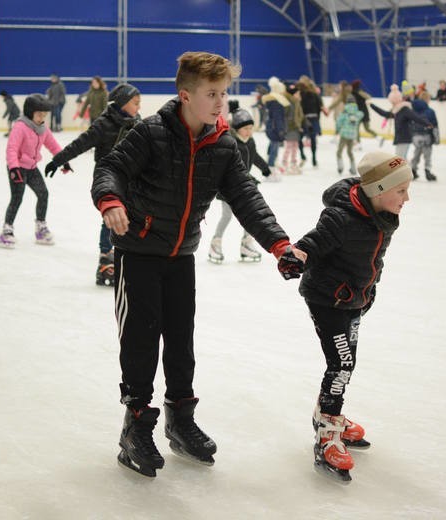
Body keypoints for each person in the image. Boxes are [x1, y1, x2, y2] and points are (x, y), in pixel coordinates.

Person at [91, 51, 306, 478]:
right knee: (140, 340)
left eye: (224, 93)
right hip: (139, 254)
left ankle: (180, 419)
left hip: (181, 256)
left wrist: (279, 244)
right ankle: (134, 426)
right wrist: (110, 200)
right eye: (212, 93)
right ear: (185, 95)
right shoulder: (149, 133)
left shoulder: (222, 144)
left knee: (180, 341)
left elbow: (246, 197)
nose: (220, 101)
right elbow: (110, 167)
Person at [287, 149, 411, 482]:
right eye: (401, 190)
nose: (407, 198)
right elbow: (313, 243)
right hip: (327, 300)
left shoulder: (383, 217)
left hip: (354, 299)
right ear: (380, 190)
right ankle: (327, 431)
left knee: (346, 362)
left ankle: (327, 413)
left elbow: (374, 261)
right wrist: (297, 255)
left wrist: (368, 293)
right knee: (341, 363)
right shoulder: (341, 217)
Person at [43, 82, 141, 285]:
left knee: (131, 216)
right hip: (109, 179)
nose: (139, 107)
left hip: (131, 177)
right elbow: (81, 143)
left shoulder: (137, 122)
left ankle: (125, 253)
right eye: (135, 102)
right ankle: (105, 257)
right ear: (122, 104)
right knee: (112, 216)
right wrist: (58, 160)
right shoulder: (103, 124)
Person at [0, 94, 71, 248]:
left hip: (31, 167)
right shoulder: (20, 127)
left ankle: (40, 228)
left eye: (44, 115)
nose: (42, 118)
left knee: (43, 194)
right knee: (17, 198)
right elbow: (12, 149)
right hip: (17, 168)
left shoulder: (43, 129)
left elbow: (53, 146)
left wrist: (63, 161)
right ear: (30, 113)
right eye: (39, 115)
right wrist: (14, 168)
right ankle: (6, 231)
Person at [208, 103, 272, 264]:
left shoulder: (250, 141)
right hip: (228, 186)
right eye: (246, 128)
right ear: (236, 129)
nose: (249, 131)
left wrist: (265, 168)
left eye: (251, 128)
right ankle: (215, 244)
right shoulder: (229, 142)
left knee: (251, 215)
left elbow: (254, 156)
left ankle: (246, 243)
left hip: (245, 183)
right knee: (227, 215)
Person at [369, 86, 432, 160]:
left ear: (395, 100)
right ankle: (408, 171)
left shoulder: (405, 110)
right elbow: (385, 114)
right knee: (401, 159)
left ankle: (406, 171)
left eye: (392, 102)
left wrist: (427, 124)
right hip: (400, 138)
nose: (391, 103)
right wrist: (372, 106)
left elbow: (416, 117)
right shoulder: (396, 111)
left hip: (404, 138)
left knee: (399, 159)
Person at [298, 75, 327, 168]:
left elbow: (300, 108)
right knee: (310, 139)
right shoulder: (313, 94)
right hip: (311, 118)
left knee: (302, 138)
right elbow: (320, 107)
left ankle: (307, 157)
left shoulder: (303, 94)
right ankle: (311, 158)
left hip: (307, 119)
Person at [262, 76, 290, 170]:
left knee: (273, 144)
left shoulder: (271, 102)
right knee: (275, 146)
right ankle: (271, 167)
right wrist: (281, 131)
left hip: (271, 127)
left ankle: (269, 162)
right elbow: (278, 118)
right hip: (275, 128)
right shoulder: (277, 103)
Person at [410, 92, 439, 181]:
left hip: (416, 137)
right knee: (427, 155)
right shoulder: (430, 111)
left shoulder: (413, 110)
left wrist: (412, 135)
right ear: (427, 100)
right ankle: (428, 171)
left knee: (416, 153)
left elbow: (411, 123)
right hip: (427, 136)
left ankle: (413, 170)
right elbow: (434, 126)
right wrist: (436, 138)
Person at [334, 96, 362, 176]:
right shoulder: (357, 113)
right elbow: (361, 115)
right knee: (350, 152)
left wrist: (337, 130)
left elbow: (339, 122)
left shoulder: (345, 112)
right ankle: (353, 169)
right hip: (352, 135)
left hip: (344, 134)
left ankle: (340, 167)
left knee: (339, 151)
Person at [349, 79, 383, 146]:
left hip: (358, 113)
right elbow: (368, 97)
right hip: (363, 112)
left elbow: (368, 97)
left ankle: (358, 144)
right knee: (365, 128)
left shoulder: (355, 93)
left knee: (357, 129)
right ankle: (379, 137)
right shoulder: (358, 92)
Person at [281, 83, 305, 175]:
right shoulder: (292, 103)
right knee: (289, 147)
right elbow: (291, 117)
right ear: (294, 94)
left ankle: (293, 164)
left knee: (295, 147)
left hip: (295, 128)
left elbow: (300, 116)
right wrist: (296, 126)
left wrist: (299, 126)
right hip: (291, 128)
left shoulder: (296, 102)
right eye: (298, 94)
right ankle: (285, 164)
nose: (299, 95)